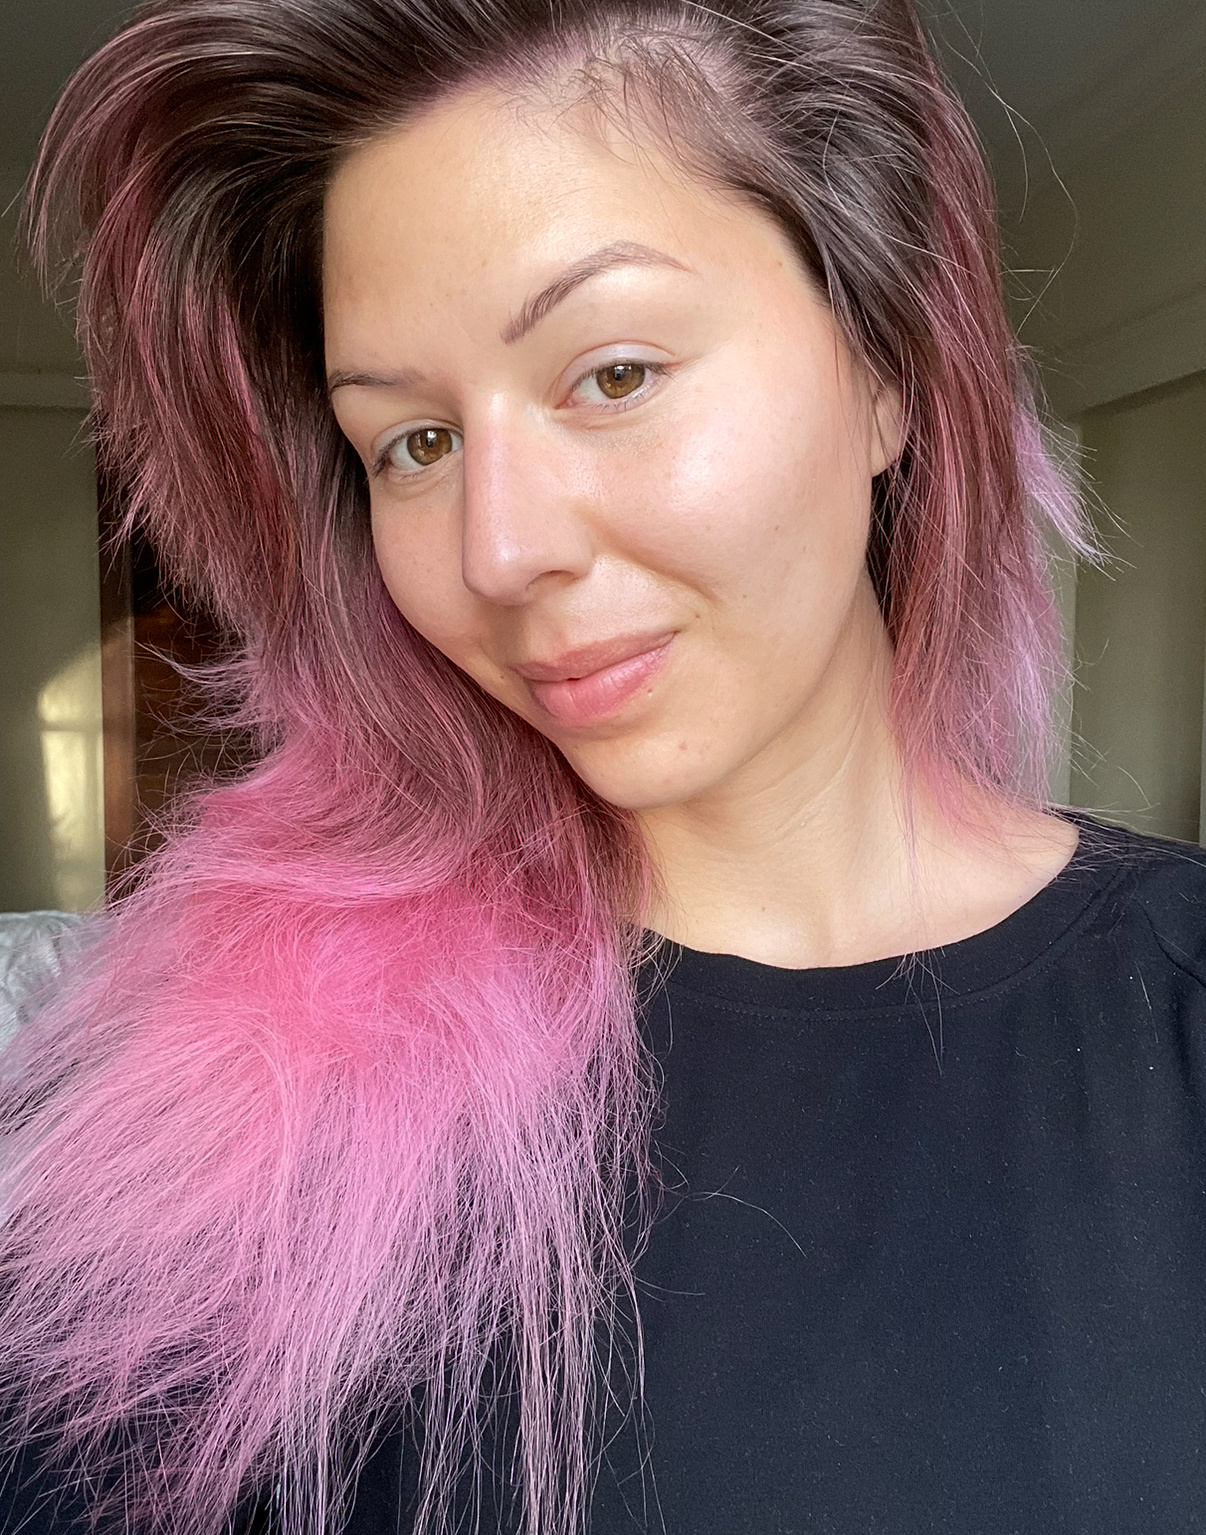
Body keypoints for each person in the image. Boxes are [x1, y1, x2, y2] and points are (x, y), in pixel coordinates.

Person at [3, 0, 1206, 1531]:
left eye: (615, 373)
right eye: (413, 444)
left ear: (886, 369)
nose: (497, 551)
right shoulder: (243, 1085)